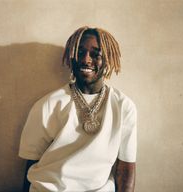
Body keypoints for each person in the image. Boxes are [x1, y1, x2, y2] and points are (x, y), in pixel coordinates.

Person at [19, 26, 137, 192]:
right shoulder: (48, 105)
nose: (86, 60)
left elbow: (125, 169)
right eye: (80, 52)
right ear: (71, 57)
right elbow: (31, 164)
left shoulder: (123, 106)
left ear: (109, 59)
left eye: (95, 54)